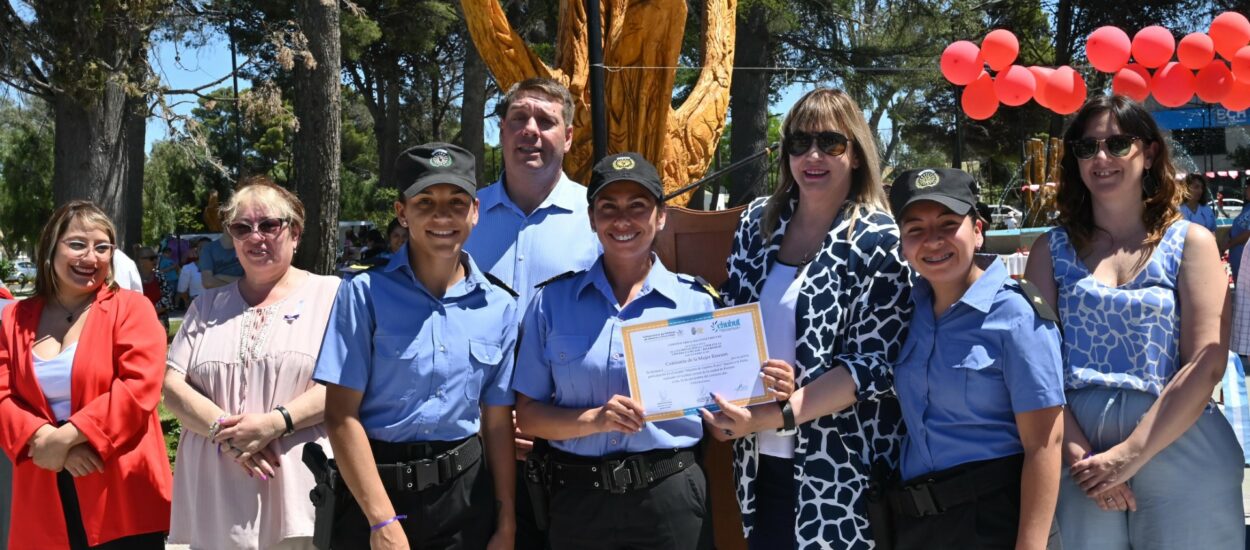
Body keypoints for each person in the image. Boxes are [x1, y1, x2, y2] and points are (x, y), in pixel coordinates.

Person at [513, 153, 789, 549]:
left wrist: (768, 388)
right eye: (609, 208)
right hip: (578, 501)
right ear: (592, 219)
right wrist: (594, 420)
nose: (622, 220)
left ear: (661, 217)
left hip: (670, 499)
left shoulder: (700, 304)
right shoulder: (551, 304)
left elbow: (730, 418)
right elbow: (529, 415)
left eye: (637, 207)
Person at [1024, 95, 1243, 549]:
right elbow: (1035, 370)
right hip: (1077, 458)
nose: (1101, 158)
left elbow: (1207, 362)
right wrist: (1082, 456)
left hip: (1177, 440)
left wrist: (1128, 455)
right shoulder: (1050, 251)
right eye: (1087, 148)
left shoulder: (1192, 243)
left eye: (1118, 144)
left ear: (1150, 153)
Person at [701, 88, 912, 549]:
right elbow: (729, 323)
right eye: (799, 143)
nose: (812, 155)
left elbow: (871, 367)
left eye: (831, 143)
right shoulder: (758, 223)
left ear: (855, 154)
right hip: (760, 463)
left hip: (843, 472)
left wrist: (774, 413)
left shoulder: (880, 238)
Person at [315, 143, 518, 549]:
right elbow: (340, 415)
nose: (442, 215)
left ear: (475, 211)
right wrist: (381, 520)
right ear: (402, 212)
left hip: (464, 501)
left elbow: (497, 423)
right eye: (425, 201)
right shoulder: (364, 295)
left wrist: (506, 519)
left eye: (456, 202)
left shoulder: (500, 306)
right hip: (376, 494)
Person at [886, 168, 1064, 549]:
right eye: (915, 228)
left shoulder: (1017, 316)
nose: (932, 241)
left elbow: (1045, 444)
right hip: (917, 523)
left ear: (978, 229)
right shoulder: (904, 312)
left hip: (991, 520)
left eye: (948, 224)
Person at [163, 180, 341, 550]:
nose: (255, 236)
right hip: (216, 492)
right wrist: (228, 434)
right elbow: (172, 387)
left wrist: (275, 423)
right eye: (242, 228)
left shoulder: (332, 296)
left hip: (301, 491)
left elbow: (345, 385)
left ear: (294, 232)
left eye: (269, 225)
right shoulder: (205, 307)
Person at [462, 77, 600, 549]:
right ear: (500, 130)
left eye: (546, 120)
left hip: (573, 444)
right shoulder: (462, 217)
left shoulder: (599, 217)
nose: (531, 130)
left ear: (569, 135)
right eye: (519, 118)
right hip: (473, 442)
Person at [0, 200, 172, 549]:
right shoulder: (15, 317)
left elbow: (138, 388)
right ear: (51, 248)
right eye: (77, 244)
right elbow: (2, 393)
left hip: (118, 486)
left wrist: (64, 440)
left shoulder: (132, 309)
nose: (90, 257)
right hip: (42, 482)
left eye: (102, 247)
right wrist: (45, 440)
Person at [176, 238, 207, 309]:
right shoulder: (188, 268)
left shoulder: (219, 267)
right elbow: (182, 290)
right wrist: (189, 300)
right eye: (201, 248)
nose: (204, 250)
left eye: (208, 247)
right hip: (197, 307)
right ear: (197, 251)